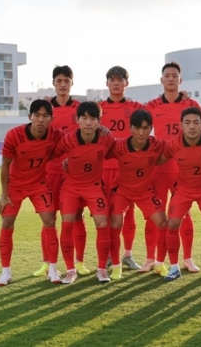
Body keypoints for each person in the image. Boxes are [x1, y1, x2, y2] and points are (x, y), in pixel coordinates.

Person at [144, 62, 201, 273]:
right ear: (161, 80)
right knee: (156, 213)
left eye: (174, 75)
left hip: (183, 169)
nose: (170, 79)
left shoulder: (191, 105)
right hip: (160, 168)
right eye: (167, 75)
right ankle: (151, 258)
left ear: (180, 80)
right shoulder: (151, 106)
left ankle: (187, 258)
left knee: (184, 215)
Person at [0, 99, 64, 286]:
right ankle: (5, 272)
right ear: (30, 117)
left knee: (50, 221)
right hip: (15, 185)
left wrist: (101, 131)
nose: (41, 120)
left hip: (39, 184)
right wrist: (4, 194)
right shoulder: (14, 135)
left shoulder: (56, 135)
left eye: (45, 116)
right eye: (37, 115)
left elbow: (75, 140)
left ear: (51, 118)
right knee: (7, 222)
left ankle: (52, 269)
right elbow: (5, 166)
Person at [34, 65, 90, 279]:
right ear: (54, 83)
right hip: (49, 171)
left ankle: (80, 262)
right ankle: (47, 263)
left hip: (74, 173)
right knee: (49, 218)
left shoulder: (81, 108)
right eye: (59, 80)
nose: (63, 84)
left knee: (77, 216)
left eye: (67, 80)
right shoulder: (45, 108)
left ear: (72, 83)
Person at [160, 107, 201, 282]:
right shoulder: (173, 144)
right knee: (172, 224)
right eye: (187, 122)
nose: (191, 127)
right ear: (180, 125)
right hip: (183, 189)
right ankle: (174, 268)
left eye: (196, 123)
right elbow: (158, 159)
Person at [52, 101, 115, 284]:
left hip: (94, 186)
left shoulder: (106, 138)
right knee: (67, 223)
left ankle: (102, 269)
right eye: (84, 118)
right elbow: (53, 155)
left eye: (93, 119)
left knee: (103, 223)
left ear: (99, 121)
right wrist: (66, 164)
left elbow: (116, 152)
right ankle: (71, 270)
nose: (88, 123)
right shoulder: (68, 139)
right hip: (70, 187)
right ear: (77, 120)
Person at [107, 109, 169, 280]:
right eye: (136, 128)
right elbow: (97, 152)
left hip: (144, 191)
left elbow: (176, 147)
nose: (141, 133)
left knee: (163, 222)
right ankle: (116, 266)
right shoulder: (119, 146)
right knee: (115, 224)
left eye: (145, 128)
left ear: (151, 128)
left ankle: (160, 263)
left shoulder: (157, 145)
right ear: (130, 128)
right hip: (122, 190)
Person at [99, 66, 145, 270]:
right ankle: (110, 254)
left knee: (130, 212)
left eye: (120, 79)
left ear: (127, 83)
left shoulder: (137, 107)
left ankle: (127, 254)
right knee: (108, 213)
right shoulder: (98, 108)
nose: (116, 83)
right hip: (104, 168)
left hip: (128, 168)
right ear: (107, 83)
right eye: (112, 79)